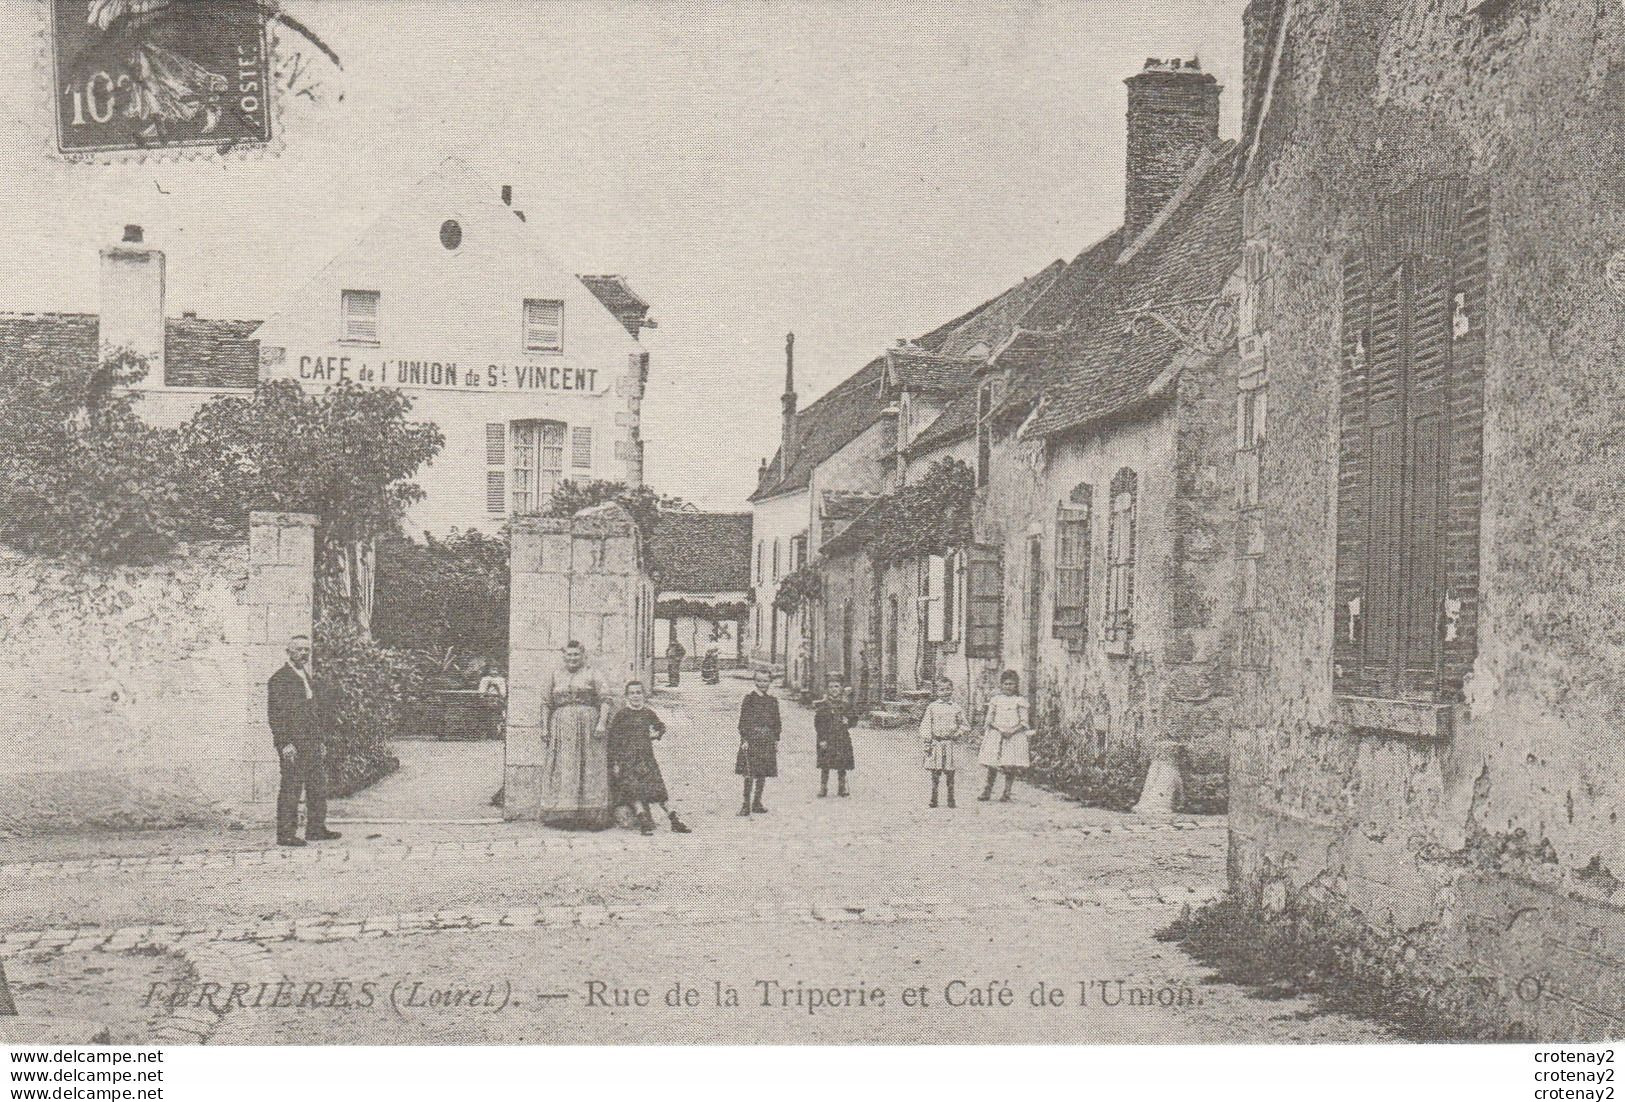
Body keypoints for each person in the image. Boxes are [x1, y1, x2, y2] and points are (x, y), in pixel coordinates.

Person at [267, 634, 340, 847]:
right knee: (291, 787)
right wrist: (284, 744)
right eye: (299, 649)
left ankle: (316, 829)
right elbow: (276, 716)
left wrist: (320, 740)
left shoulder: (305, 677)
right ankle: (285, 834)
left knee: (317, 785)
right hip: (294, 744)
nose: (304, 653)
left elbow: (312, 713)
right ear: (288, 652)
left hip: (311, 742)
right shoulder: (280, 679)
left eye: (306, 650)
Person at [539, 640, 612, 828]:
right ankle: (563, 815)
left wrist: (602, 723)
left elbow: (605, 699)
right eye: (569, 655)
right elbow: (546, 702)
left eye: (576, 655)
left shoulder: (593, 673)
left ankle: (591, 816)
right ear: (564, 656)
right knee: (564, 766)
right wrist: (544, 728)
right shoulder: (555, 674)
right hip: (561, 727)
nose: (572, 658)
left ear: (583, 655)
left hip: (588, 725)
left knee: (590, 766)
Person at [607, 680, 692, 835]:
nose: (635, 696)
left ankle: (674, 820)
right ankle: (643, 821)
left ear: (643, 695)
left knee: (658, 790)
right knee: (634, 791)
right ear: (627, 696)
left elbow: (660, 726)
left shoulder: (648, 713)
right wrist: (615, 762)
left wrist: (655, 734)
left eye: (638, 692)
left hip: (646, 758)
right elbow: (613, 740)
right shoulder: (622, 715)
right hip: (627, 759)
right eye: (632, 693)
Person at [977, 670, 1031, 802]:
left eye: (1011, 684)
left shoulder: (1020, 701)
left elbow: (1024, 722)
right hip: (997, 734)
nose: (1008, 687)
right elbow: (989, 720)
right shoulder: (996, 700)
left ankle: (1007, 792)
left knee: (1009, 765)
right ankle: (987, 790)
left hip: (1013, 736)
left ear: (1016, 685)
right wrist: (1000, 729)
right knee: (992, 764)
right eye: (1006, 684)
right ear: (1001, 685)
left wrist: (1012, 731)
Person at [735, 669, 781, 816]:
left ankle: (757, 802)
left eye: (765, 681)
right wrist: (745, 738)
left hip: (767, 740)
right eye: (759, 681)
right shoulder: (749, 699)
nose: (762, 684)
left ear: (770, 682)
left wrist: (776, 739)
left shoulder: (772, 701)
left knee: (762, 772)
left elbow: (777, 722)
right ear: (755, 681)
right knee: (749, 773)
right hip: (752, 739)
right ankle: (745, 804)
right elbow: (743, 721)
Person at [920, 677, 968, 808]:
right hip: (936, 743)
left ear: (952, 690)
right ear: (937, 692)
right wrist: (927, 742)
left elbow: (964, 725)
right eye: (942, 690)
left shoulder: (956, 707)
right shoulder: (932, 707)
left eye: (948, 689)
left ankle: (951, 798)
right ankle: (934, 798)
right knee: (935, 773)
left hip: (949, 744)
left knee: (950, 772)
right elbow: (926, 725)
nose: (945, 692)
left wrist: (957, 734)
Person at [814, 673, 855, 798]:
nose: (834, 689)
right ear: (827, 689)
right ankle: (823, 787)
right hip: (827, 738)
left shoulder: (846, 704)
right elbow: (818, 723)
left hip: (841, 737)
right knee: (825, 763)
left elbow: (854, 718)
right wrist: (822, 739)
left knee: (842, 763)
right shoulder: (823, 705)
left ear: (841, 688)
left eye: (836, 686)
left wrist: (849, 721)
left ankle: (842, 787)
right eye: (831, 687)